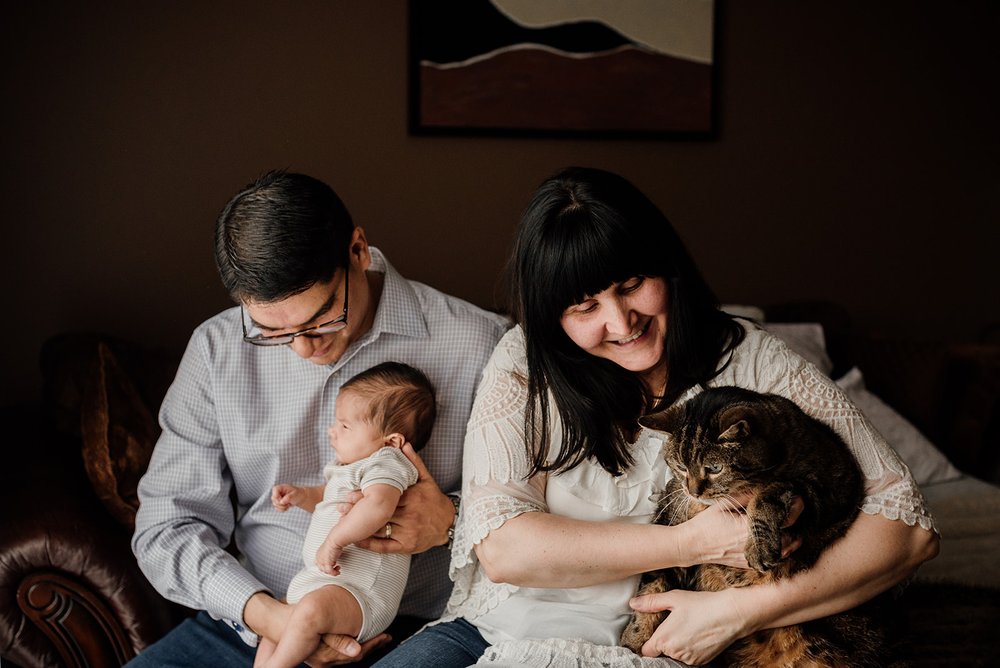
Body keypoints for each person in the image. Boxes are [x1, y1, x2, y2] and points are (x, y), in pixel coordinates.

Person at [373, 166, 939, 667]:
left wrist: (740, 611)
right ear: (553, 316)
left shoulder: (755, 361)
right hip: (496, 633)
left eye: (632, 286)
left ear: (668, 270)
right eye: (585, 307)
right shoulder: (524, 361)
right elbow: (504, 549)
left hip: (666, 646)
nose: (621, 323)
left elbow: (907, 532)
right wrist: (694, 542)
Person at [129, 171, 510, 667]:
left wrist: (452, 522)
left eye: (322, 317)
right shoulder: (216, 351)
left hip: (414, 631)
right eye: (271, 331)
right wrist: (271, 617)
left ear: (358, 250)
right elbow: (167, 526)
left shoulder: (482, 344)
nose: (304, 349)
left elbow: (537, 510)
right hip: (253, 621)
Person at [256, 361, 437, 668]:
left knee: (309, 613)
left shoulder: (387, 463)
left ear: (391, 441)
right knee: (271, 624)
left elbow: (378, 508)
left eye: (344, 426)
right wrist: (302, 496)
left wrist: (334, 542)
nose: (332, 431)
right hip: (322, 582)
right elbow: (330, 501)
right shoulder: (350, 469)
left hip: (361, 593)